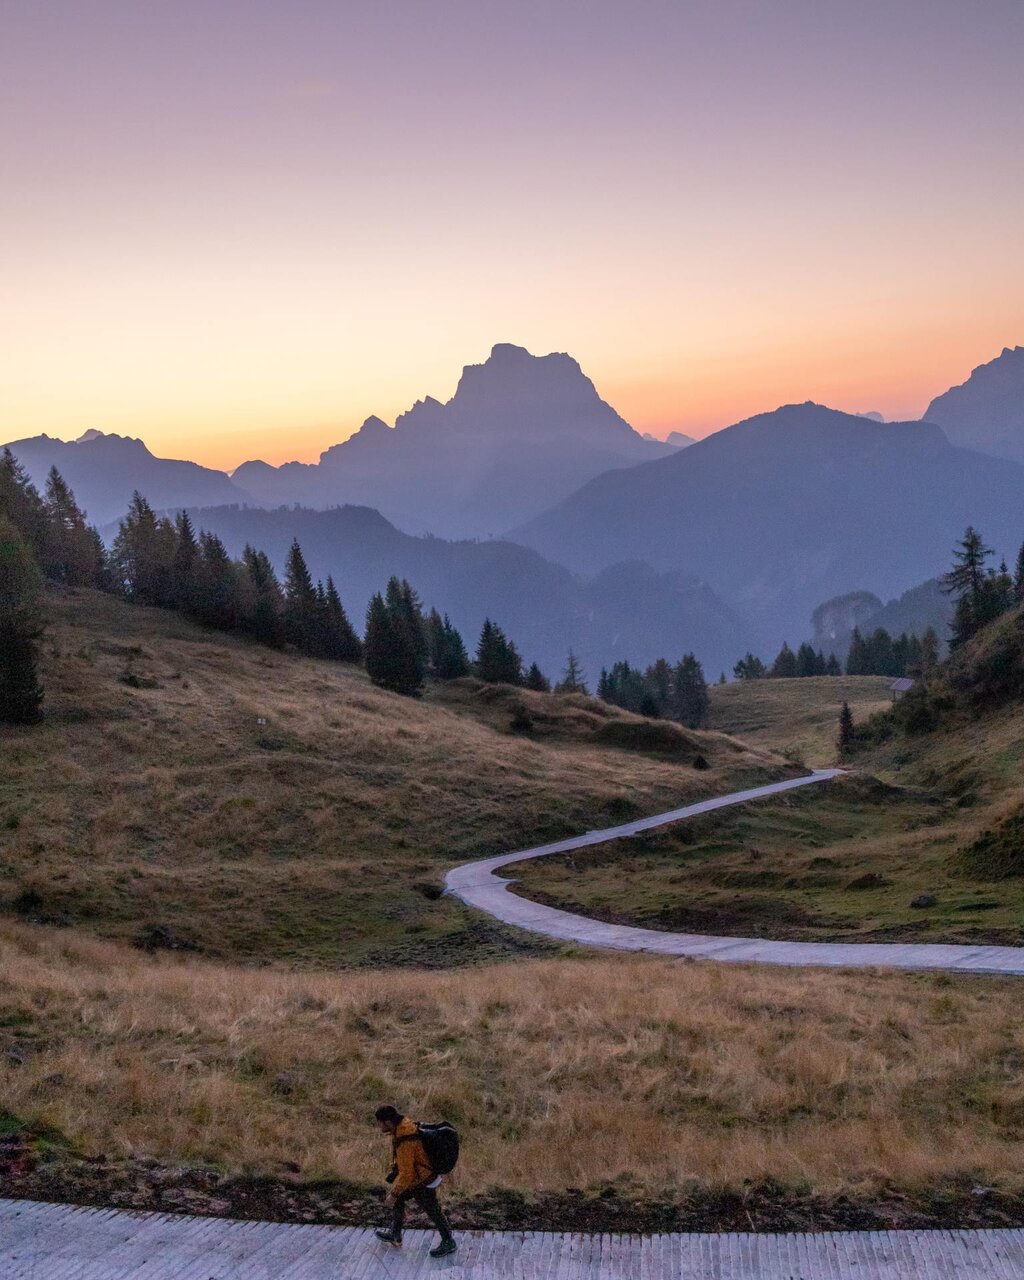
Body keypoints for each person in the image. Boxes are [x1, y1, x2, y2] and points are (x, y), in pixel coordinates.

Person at [374, 1104, 458, 1258]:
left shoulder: (405, 1138)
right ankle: (395, 1234)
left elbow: (407, 1174)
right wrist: (395, 1171)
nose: (378, 1126)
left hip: (422, 1180)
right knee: (401, 1200)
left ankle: (448, 1241)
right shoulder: (401, 1128)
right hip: (417, 1178)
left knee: (433, 1211)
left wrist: (393, 1194)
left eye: (379, 1122)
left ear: (387, 1122)